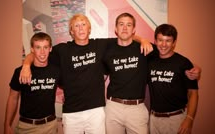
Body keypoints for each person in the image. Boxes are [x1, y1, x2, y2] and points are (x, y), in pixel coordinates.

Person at [18, 14, 153, 134]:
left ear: (89, 29)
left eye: (84, 25)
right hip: (72, 113)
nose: (81, 28)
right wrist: (26, 65)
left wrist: (143, 40)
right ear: (71, 31)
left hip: (96, 111)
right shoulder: (63, 50)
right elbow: (39, 52)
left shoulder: (100, 45)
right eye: (76, 26)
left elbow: (126, 35)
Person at [103, 12, 151, 134]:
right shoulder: (107, 50)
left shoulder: (145, 48)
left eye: (129, 25)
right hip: (113, 107)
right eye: (121, 24)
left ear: (134, 29)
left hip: (137, 108)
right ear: (115, 28)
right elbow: (100, 78)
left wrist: (193, 67)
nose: (124, 28)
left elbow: (167, 55)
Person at [147, 24, 199, 134]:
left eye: (168, 41)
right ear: (155, 41)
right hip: (154, 119)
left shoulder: (183, 63)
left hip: (176, 119)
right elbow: (130, 38)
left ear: (174, 42)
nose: (163, 44)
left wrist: (189, 119)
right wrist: (142, 40)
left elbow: (193, 93)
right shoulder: (150, 60)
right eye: (160, 40)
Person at [4, 32, 59, 134]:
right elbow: (12, 98)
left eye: (45, 47)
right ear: (32, 49)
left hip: (50, 126)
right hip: (26, 127)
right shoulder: (20, 72)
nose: (42, 52)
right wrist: (7, 125)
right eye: (38, 47)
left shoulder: (56, 71)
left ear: (50, 49)